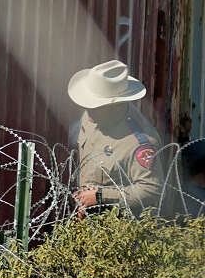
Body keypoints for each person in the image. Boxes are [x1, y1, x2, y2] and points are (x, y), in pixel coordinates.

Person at [67, 60, 170, 218]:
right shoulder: (91, 117)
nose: (88, 111)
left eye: (95, 106)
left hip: (121, 231)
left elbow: (152, 189)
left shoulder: (139, 142)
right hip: (87, 222)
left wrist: (100, 196)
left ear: (114, 106)